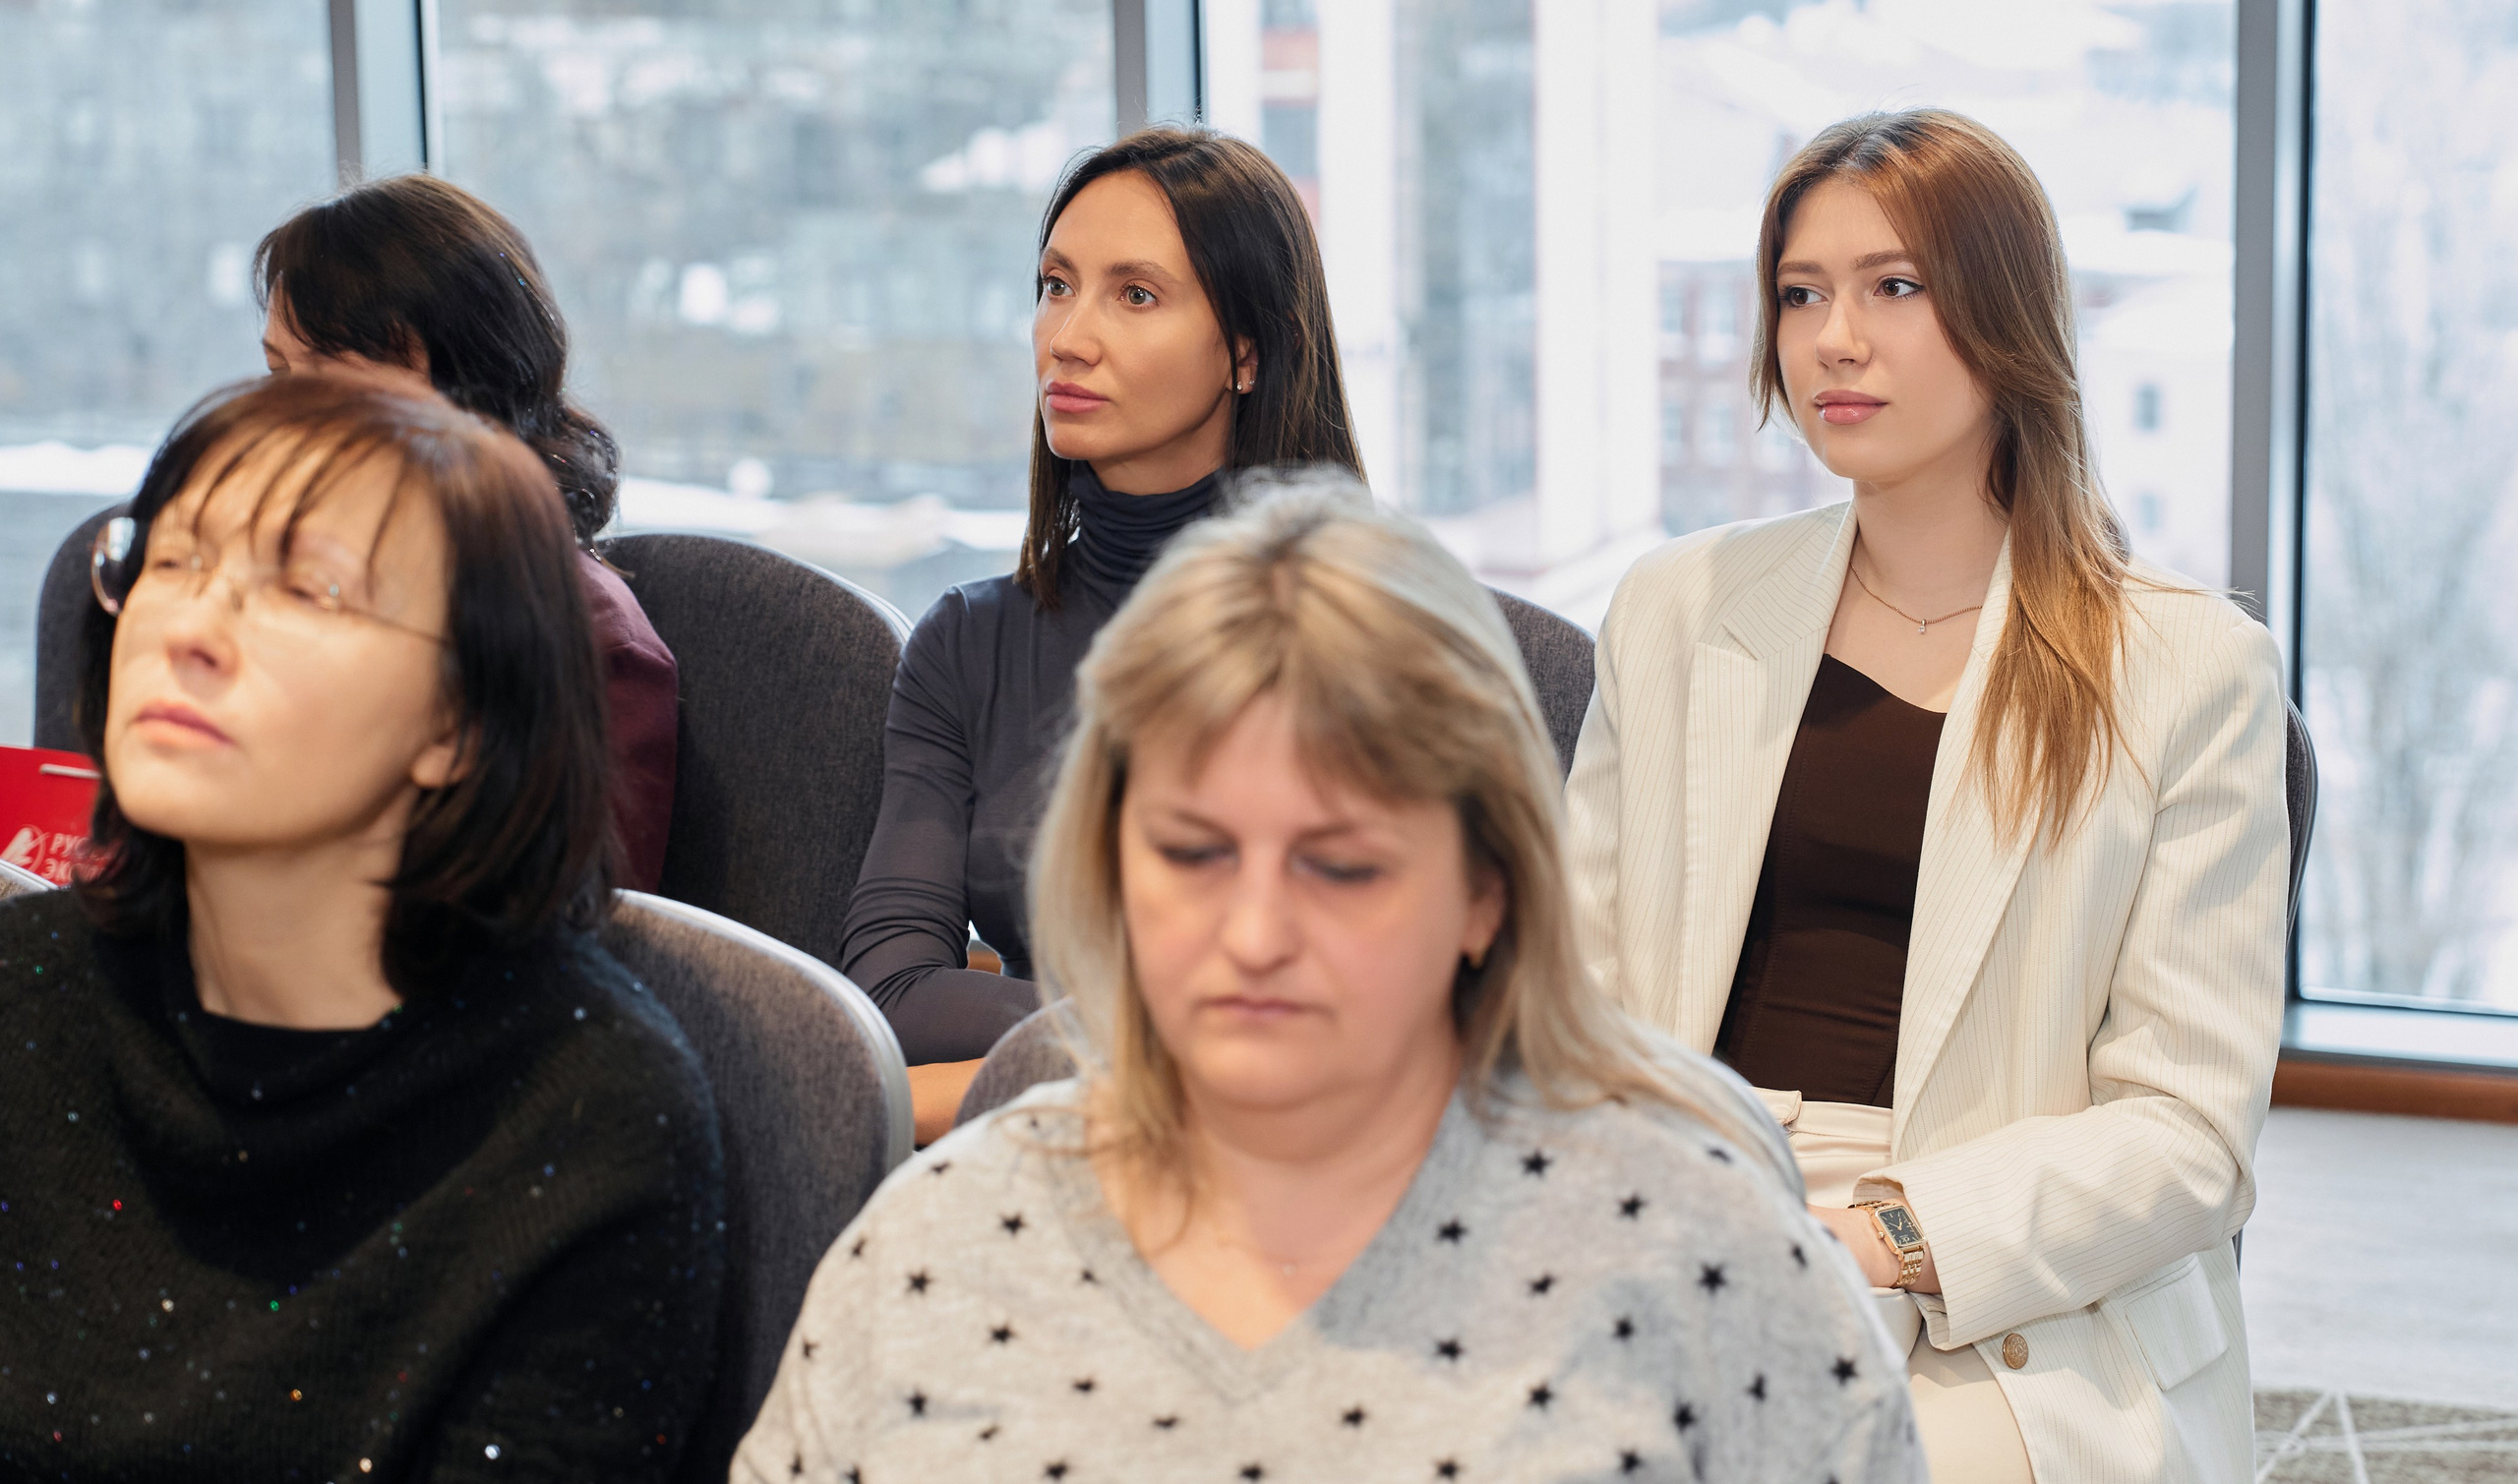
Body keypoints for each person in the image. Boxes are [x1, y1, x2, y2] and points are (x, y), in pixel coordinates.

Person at [741, 480, 1922, 1484]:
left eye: (1341, 867)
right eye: (1191, 853)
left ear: (1486, 892)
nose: (1253, 933)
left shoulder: (1697, 1249)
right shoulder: (936, 1248)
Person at [1565, 110, 2289, 1482]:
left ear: (2006, 313)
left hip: (1999, 1276)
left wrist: (1888, 1234)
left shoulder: (2189, 667)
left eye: (1895, 286)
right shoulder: (1680, 607)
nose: (1836, 335)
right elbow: (1572, 1001)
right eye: (1801, 292)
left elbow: (2188, 1132)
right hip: (1686, 1201)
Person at [0, 374, 725, 1479]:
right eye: (177, 557)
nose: (190, 625)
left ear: (459, 724)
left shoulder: (584, 1117)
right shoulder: (22, 995)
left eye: (307, 589)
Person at [839, 126, 1366, 1140]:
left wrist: (976, 1086)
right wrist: (1143, 1047)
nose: (1069, 336)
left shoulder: (1350, 632)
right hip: (1058, 1150)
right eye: (1054, 285)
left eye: (1135, 295)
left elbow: (1345, 1011)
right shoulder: (966, 641)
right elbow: (892, 994)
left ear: (1246, 354)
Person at [255, 174, 679, 892]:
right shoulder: (289, 578)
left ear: (461, 386)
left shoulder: (578, 633)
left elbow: (563, 945)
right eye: (276, 372)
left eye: (327, 373)